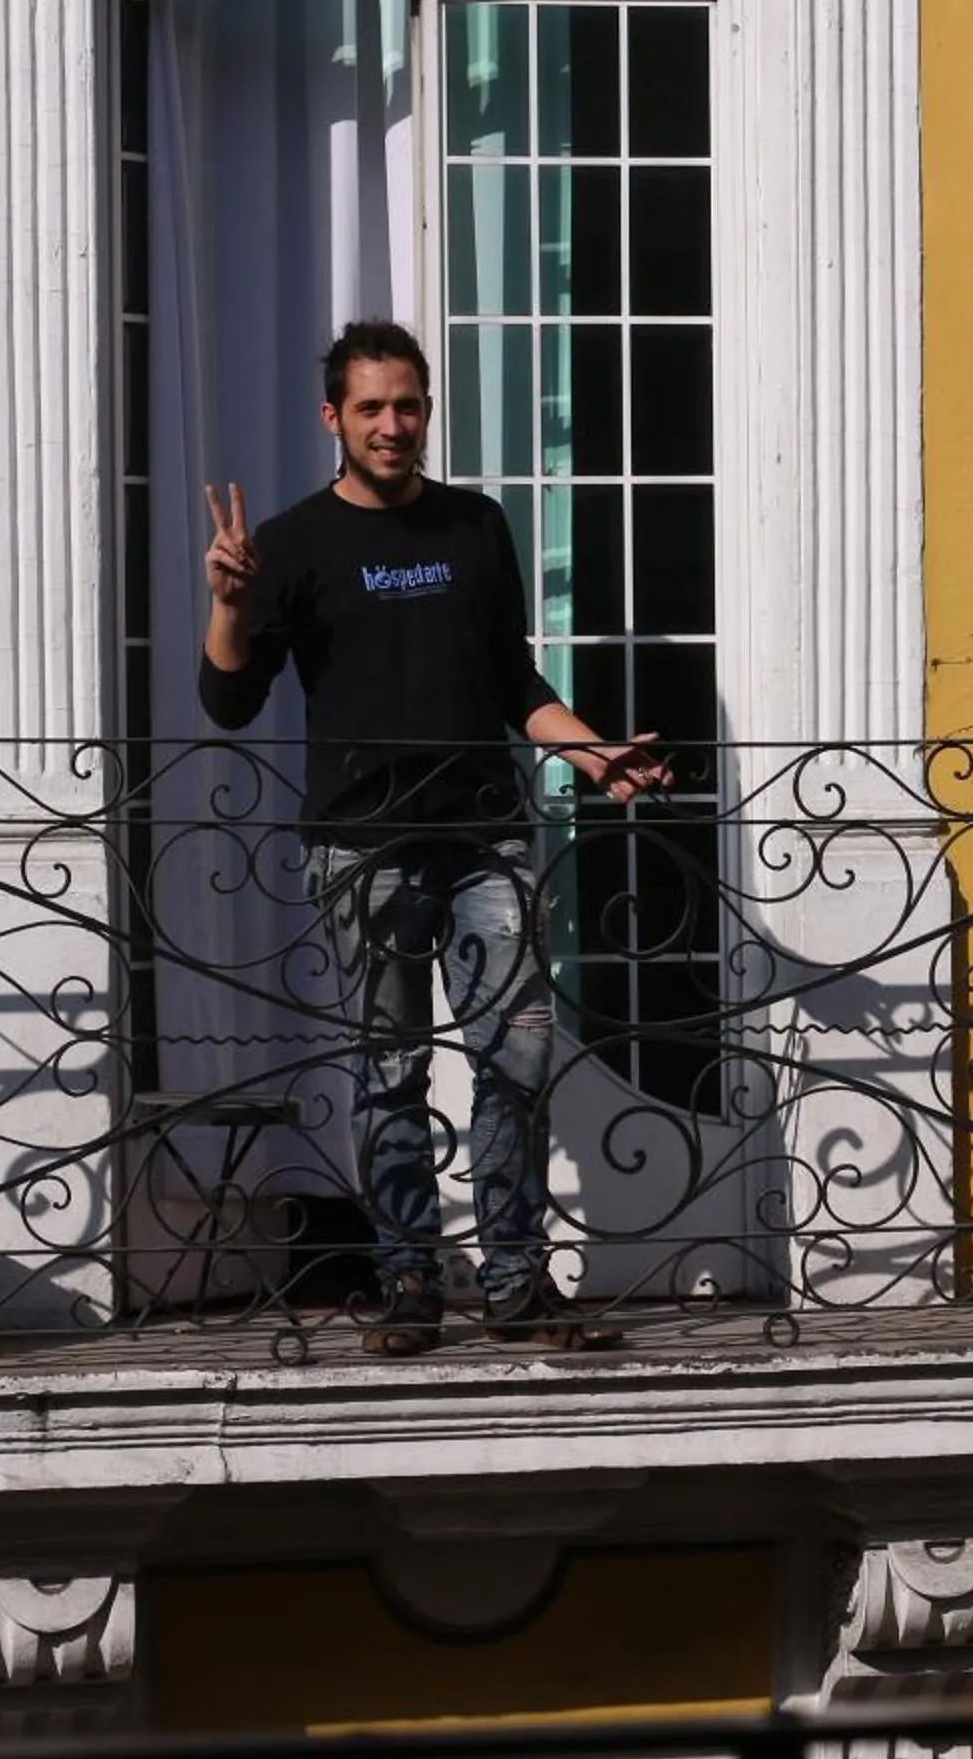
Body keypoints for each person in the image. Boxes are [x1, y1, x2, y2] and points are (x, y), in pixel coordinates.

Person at [197, 321, 670, 1355]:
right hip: (363, 847)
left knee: (518, 1055)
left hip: (486, 836)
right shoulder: (294, 542)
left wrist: (593, 753)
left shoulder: (475, 526)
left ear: (425, 410)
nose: (392, 424)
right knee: (389, 1069)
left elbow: (512, 681)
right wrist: (228, 606)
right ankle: (406, 1281)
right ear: (333, 417)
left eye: (406, 405)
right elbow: (228, 700)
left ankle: (515, 1284)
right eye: (370, 407)